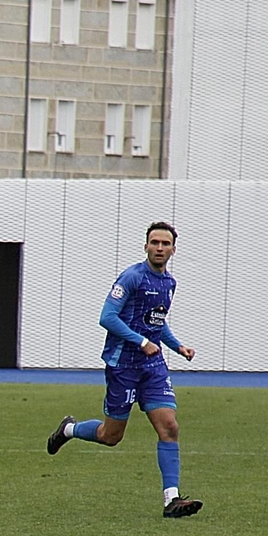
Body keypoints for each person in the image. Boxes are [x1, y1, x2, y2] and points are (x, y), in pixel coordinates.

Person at [47, 222, 202, 518]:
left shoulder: (169, 283)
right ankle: (69, 429)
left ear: (173, 249)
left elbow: (156, 320)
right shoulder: (132, 277)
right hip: (123, 365)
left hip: (152, 366)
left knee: (169, 426)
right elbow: (107, 317)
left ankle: (172, 499)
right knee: (111, 436)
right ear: (145, 246)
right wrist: (140, 341)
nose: (159, 248)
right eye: (154, 242)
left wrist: (177, 346)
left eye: (165, 244)